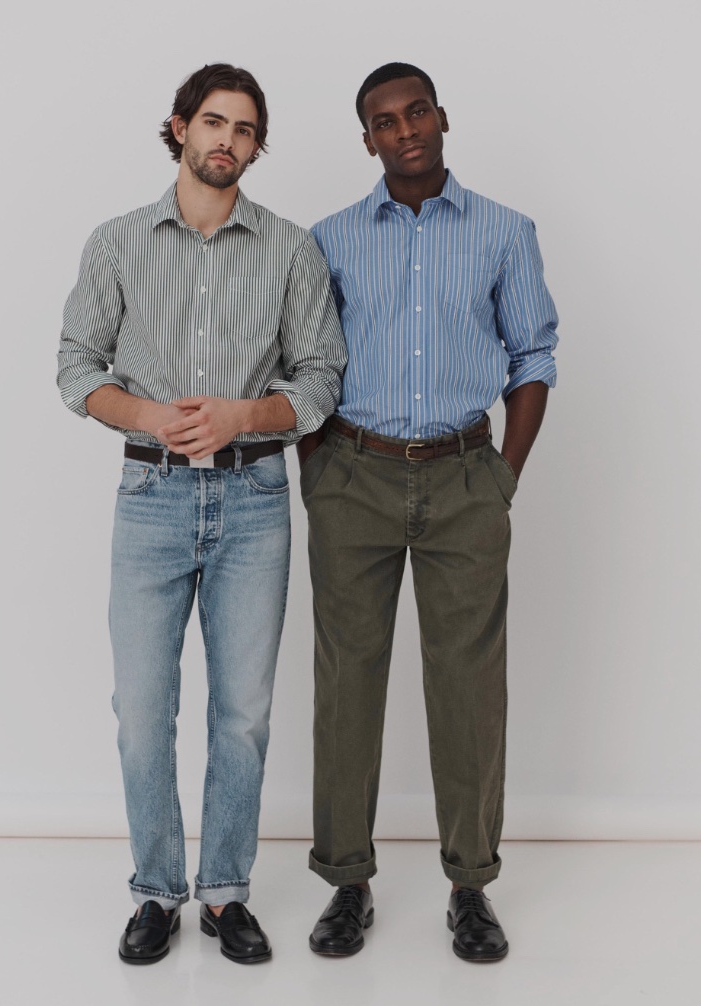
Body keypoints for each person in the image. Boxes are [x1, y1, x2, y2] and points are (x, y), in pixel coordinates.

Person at [57, 62, 345, 966]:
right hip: (149, 498)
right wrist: (152, 416)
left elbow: (321, 378)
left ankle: (223, 893)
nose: (227, 140)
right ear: (179, 128)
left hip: (256, 500)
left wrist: (240, 416)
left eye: (245, 129)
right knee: (142, 711)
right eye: (212, 122)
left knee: (244, 714)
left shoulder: (291, 249)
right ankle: (155, 890)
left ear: (257, 147)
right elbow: (76, 367)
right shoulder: (116, 242)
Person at [299, 62, 558, 962]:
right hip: (354, 478)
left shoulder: (503, 231)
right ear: (366, 139)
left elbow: (532, 356)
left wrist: (502, 479)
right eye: (383, 120)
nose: (404, 128)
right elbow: (306, 367)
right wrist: (320, 469)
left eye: (416, 111)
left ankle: (471, 886)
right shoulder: (328, 239)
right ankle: (345, 881)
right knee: (347, 682)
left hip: (463, 480)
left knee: (469, 687)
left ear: (441, 117)